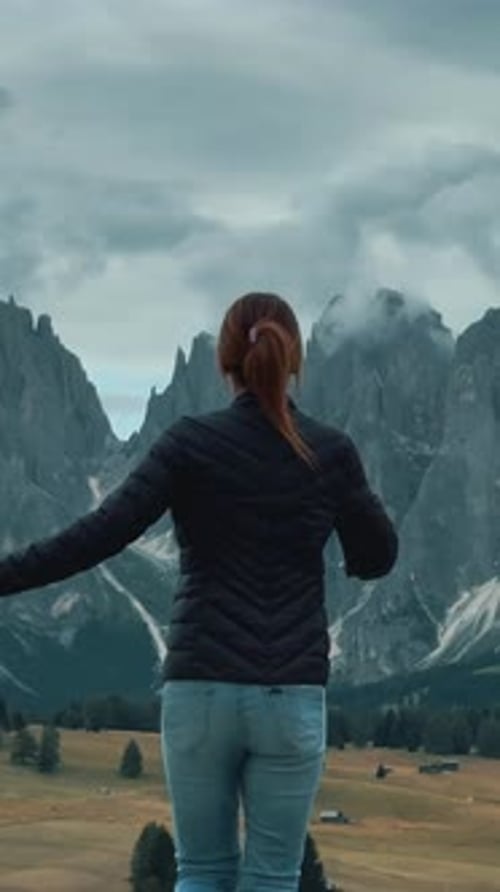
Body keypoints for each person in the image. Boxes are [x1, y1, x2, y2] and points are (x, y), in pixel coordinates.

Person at [0, 292, 398, 891]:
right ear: (294, 358)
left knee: (202, 871)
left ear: (224, 361)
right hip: (289, 694)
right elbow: (378, 556)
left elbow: (97, 536)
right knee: (273, 878)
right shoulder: (331, 451)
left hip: (200, 690)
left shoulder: (189, 442)